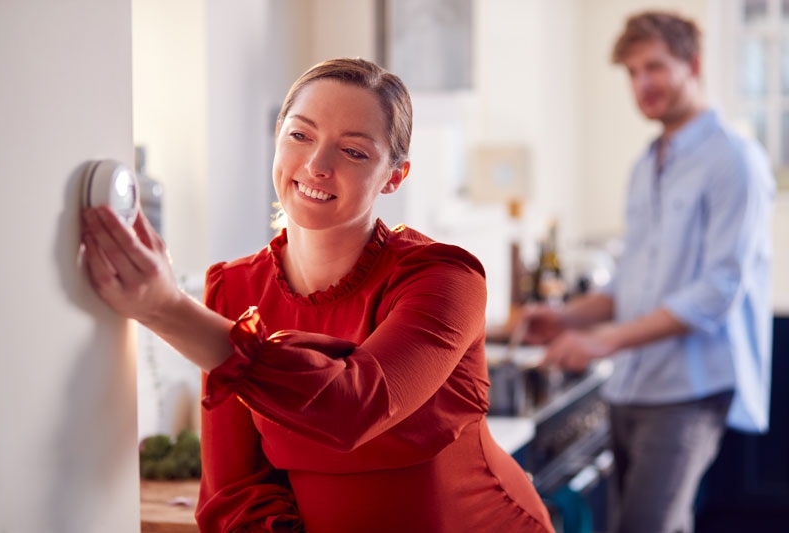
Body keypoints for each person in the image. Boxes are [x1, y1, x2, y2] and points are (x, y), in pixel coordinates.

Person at [81, 58, 555, 533]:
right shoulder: (234, 288)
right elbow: (235, 491)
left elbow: (353, 406)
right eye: (300, 135)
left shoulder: (444, 277)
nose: (316, 165)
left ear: (395, 176)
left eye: (353, 151)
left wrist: (164, 309)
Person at [522, 11, 775, 533]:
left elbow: (717, 292)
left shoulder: (735, 159)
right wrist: (566, 318)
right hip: (632, 387)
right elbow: (630, 284)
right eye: (633, 73)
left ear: (693, 65)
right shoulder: (646, 165)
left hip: (689, 390)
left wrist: (605, 341)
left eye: (655, 67)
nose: (643, 85)